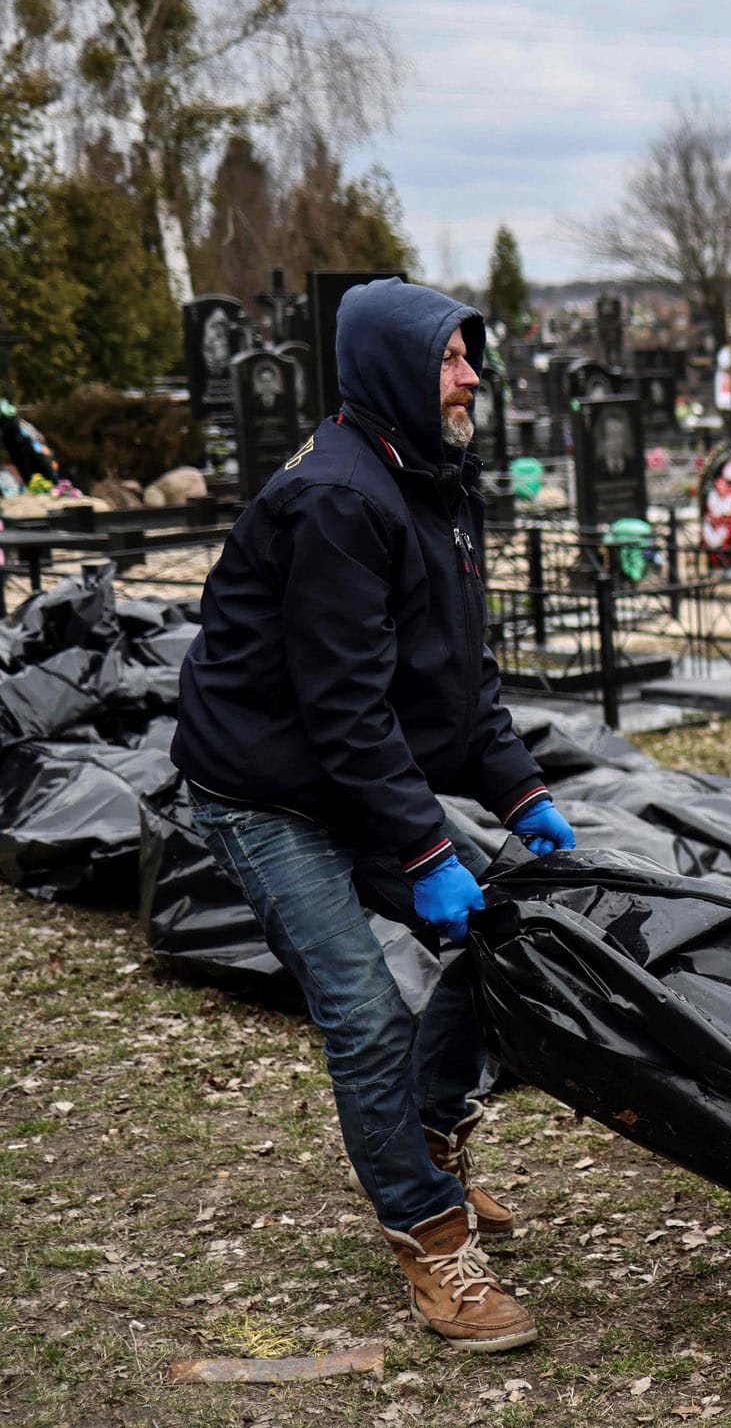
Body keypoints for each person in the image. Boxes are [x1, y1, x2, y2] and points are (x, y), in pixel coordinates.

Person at [173, 278, 578, 1354]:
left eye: (470, 355)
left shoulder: (432, 479)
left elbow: (458, 675)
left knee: (505, 935)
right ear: (397, 366)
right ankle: (429, 1234)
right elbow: (343, 705)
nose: (471, 375)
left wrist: (521, 791)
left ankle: (431, 1135)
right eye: (452, 356)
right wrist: (425, 845)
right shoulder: (339, 499)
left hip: (345, 769)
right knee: (362, 1011)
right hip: (263, 787)